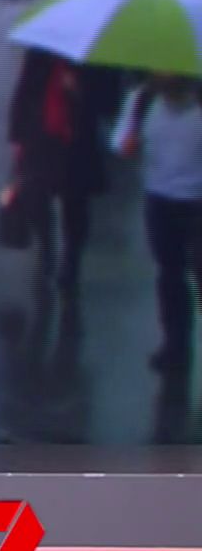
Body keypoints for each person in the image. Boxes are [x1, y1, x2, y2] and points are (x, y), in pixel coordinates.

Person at [5, 50, 120, 297]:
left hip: (77, 144)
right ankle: (46, 247)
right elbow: (24, 92)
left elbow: (111, 102)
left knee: (74, 205)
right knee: (35, 196)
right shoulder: (41, 53)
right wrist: (17, 136)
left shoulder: (99, 60)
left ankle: (71, 261)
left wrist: (80, 90)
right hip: (41, 137)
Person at [115, 76, 202, 394]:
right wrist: (129, 143)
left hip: (198, 203)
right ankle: (175, 345)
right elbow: (121, 143)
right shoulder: (142, 101)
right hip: (159, 200)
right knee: (169, 275)